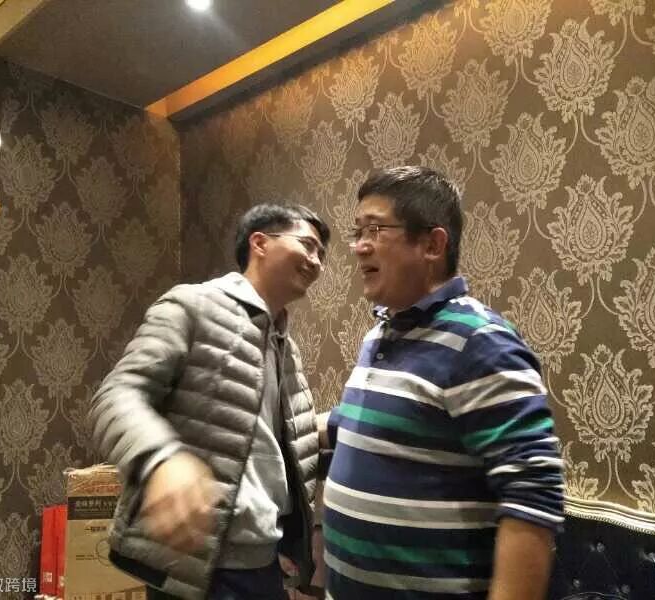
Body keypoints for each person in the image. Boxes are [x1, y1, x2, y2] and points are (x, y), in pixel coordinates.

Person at [323, 166, 564, 600]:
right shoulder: (379, 334)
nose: (359, 247)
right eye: (357, 231)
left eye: (375, 229)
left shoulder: (481, 341)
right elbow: (364, 427)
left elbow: (533, 492)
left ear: (433, 244)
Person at [88, 204, 330, 600]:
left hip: (265, 563)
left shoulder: (286, 344)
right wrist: (161, 460)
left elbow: (272, 439)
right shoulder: (192, 305)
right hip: (196, 565)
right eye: (307, 244)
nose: (316, 261)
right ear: (260, 243)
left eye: (321, 253)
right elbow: (117, 395)